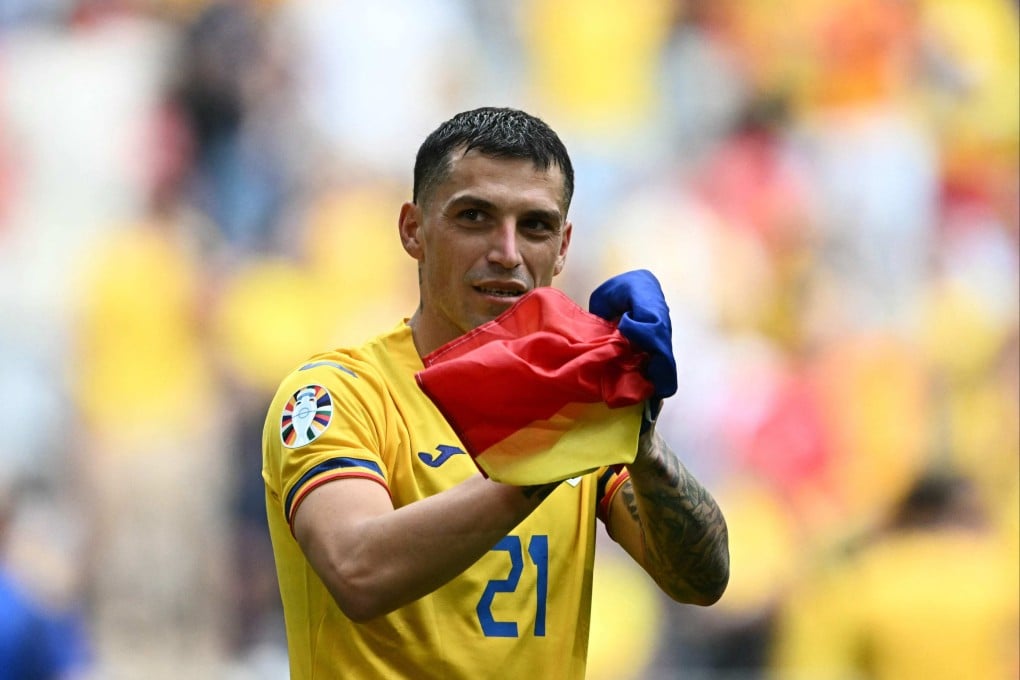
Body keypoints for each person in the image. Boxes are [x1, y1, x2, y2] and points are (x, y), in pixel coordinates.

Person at [262, 106, 730, 679]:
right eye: (475, 217)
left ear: (562, 247)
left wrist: (643, 440)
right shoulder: (337, 394)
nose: (507, 251)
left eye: (535, 225)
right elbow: (357, 571)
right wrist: (547, 454)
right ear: (413, 229)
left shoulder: (579, 408)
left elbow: (702, 581)